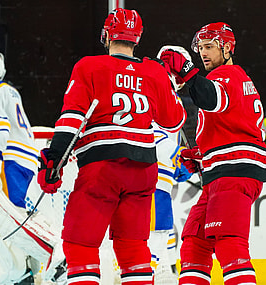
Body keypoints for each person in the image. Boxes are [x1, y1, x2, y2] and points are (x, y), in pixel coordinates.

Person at [37, 8, 187, 285]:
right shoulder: (153, 71)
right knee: (133, 250)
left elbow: (72, 118)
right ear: (138, 38)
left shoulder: (89, 67)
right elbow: (175, 120)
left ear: (106, 35)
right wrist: (169, 82)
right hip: (143, 170)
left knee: (80, 246)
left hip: (102, 167)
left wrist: (55, 158)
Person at [160, 22, 266, 285]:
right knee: (194, 243)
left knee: (229, 244)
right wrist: (201, 155)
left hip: (234, 173)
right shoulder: (233, 78)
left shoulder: (227, 75)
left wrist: (188, 72)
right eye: (200, 48)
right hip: (222, 174)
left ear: (227, 48)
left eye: (209, 47)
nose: (203, 53)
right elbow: (233, 127)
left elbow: (211, 98)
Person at [0, 50, 65, 285]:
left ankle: (56, 257)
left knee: (9, 218)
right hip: (19, 158)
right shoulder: (8, 90)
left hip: (4, 159)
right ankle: (19, 272)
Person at [148, 45, 193, 285]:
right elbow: (150, 134)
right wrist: (177, 155)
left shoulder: (159, 86)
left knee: (162, 230)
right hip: (149, 176)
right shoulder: (158, 86)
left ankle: (162, 267)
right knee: (153, 234)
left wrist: (176, 161)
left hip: (158, 177)